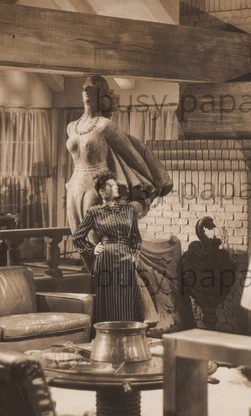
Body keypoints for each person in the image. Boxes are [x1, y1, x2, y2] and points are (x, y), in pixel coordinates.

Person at [65, 75, 173, 238]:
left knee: (94, 237)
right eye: (84, 87)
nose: (86, 90)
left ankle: (104, 256)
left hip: (96, 182)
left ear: (102, 94)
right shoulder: (72, 127)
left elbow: (131, 153)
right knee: (77, 235)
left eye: (92, 87)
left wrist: (150, 182)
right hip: (74, 184)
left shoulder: (105, 125)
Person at [72, 170, 142, 323]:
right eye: (111, 185)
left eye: (115, 184)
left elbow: (136, 238)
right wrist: (92, 250)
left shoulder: (129, 211)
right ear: (102, 192)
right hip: (105, 261)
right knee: (108, 300)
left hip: (126, 260)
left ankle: (128, 333)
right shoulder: (94, 212)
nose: (116, 186)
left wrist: (134, 254)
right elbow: (77, 237)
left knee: (127, 298)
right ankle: (107, 334)